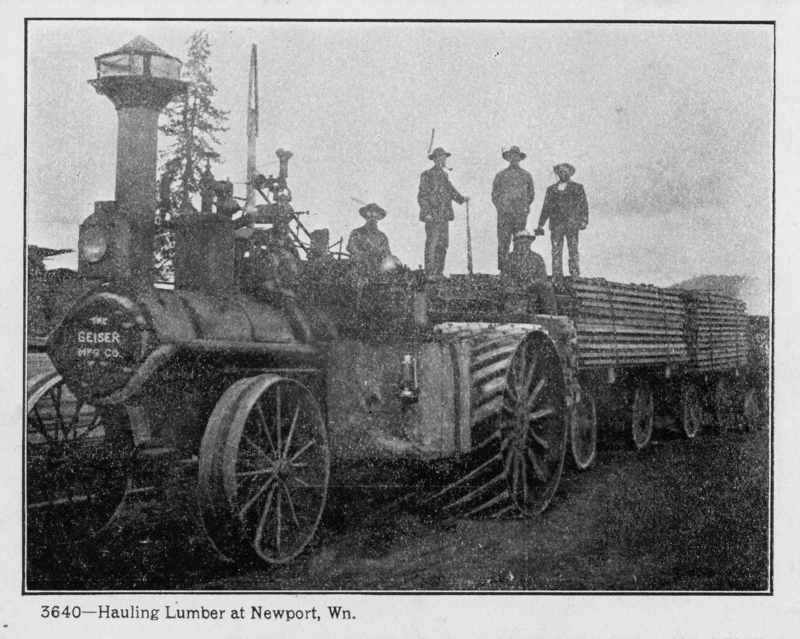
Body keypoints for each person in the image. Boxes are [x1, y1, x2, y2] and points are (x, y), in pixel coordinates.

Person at [418, 147, 469, 276]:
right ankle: (430, 274)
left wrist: (462, 199)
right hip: (433, 217)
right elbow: (422, 196)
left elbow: (451, 190)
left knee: (443, 245)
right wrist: (427, 213)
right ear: (435, 159)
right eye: (441, 157)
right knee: (432, 245)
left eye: (444, 157)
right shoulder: (427, 175)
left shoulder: (444, 176)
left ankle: (439, 273)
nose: (443, 160)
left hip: (444, 216)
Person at [536, 163, 589, 279]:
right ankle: (557, 273)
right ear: (557, 173)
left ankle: (575, 273)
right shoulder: (551, 190)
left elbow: (583, 205)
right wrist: (540, 224)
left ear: (570, 173)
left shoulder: (577, 187)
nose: (563, 173)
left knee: (573, 248)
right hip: (556, 224)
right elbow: (546, 208)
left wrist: (584, 221)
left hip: (572, 224)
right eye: (560, 171)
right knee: (556, 248)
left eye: (565, 171)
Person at [492, 146, 535, 271]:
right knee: (503, 242)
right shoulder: (500, 175)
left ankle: (518, 270)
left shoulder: (526, 176)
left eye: (516, 156)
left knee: (520, 241)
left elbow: (531, 195)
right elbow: (495, 195)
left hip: (520, 215)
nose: (514, 158)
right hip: (505, 215)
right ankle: (503, 270)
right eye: (512, 156)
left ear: (520, 158)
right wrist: (502, 207)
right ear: (508, 158)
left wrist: (522, 206)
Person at [501, 230, 557, 315]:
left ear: (530, 243)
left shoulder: (537, 258)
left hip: (533, 289)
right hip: (516, 290)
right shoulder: (509, 258)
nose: (523, 244)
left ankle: (551, 316)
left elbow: (542, 277)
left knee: (547, 286)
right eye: (520, 242)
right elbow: (505, 277)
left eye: (526, 242)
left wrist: (531, 284)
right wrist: (518, 287)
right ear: (516, 243)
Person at [346, 203, 394, 274]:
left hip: (378, 271)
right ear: (366, 216)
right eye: (370, 215)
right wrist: (365, 254)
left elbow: (387, 255)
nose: (373, 218)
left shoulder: (382, 237)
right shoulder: (357, 232)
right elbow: (351, 247)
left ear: (378, 217)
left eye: (375, 215)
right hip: (359, 270)